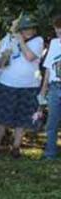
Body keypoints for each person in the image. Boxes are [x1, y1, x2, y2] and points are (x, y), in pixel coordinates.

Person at [0, 15, 44, 159]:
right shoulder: (8, 40)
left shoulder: (38, 41)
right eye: (26, 28)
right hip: (7, 83)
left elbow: (29, 57)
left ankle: (16, 146)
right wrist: (5, 57)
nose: (29, 31)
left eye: (31, 28)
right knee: (1, 117)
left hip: (29, 85)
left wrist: (20, 41)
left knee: (22, 118)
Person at [40, 15, 61, 160]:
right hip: (54, 87)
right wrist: (44, 89)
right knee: (52, 122)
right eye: (58, 30)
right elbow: (48, 68)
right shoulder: (54, 43)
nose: (60, 33)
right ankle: (50, 153)